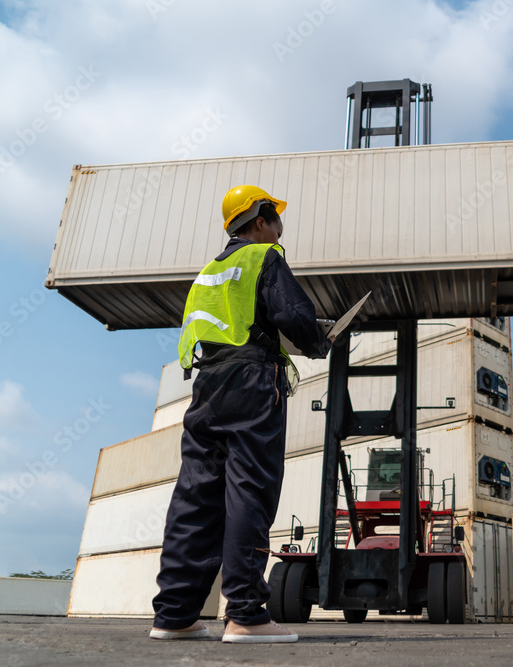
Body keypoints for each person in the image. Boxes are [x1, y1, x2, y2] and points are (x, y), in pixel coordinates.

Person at [150, 185, 332, 644]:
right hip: (252, 383)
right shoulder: (264, 258)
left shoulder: (207, 273)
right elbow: (292, 315)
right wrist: (319, 340)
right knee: (249, 491)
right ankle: (246, 615)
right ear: (258, 221)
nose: (279, 228)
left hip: (206, 388)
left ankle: (174, 616)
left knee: (195, 497)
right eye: (275, 219)